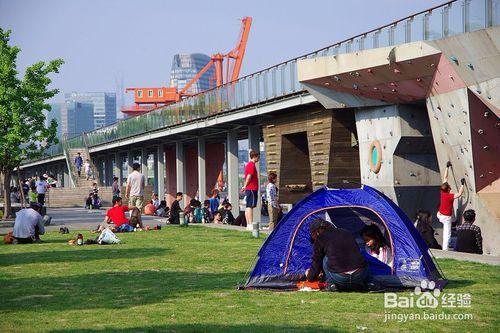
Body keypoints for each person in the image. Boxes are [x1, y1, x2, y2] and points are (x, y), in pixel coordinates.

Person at [305, 219, 368, 291]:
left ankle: (330, 284)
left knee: (325, 258)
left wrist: (310, 277)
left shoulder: (320, 238)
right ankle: (363, 283)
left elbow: (317, 262)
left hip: (340, 277)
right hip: (360, 275)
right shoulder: (346, 232)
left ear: (317, 232)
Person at [438, 161, 465, 251]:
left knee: (452, 217)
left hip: (440, 214)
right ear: (448, 189)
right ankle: (445, 249)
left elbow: (445, 177)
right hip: (446, 218)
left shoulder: (442, 192)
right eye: (449, 187)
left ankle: (454, 222)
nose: (450, 187)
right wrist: (462, 184)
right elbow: (460, 193)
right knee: (447, 234)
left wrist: (447, 167)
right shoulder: (450, 196)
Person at [241, 150, 260, 231]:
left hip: (250, 188)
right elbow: (249, 176)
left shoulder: (248, 165)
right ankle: (250, 224)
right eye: (258, 156)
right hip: (252, 188)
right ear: (255, 156)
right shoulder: (251, 165)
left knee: (248, 206)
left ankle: (248, 224)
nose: (259, 158)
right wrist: (245, 186)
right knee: (250, 206)